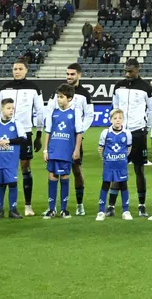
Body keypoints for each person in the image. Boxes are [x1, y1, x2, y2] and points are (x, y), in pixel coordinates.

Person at [0, 61, 46, 216]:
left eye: (20, 69)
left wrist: (38, 134)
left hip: (24, 133)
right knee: (3, 169)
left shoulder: (33, 88)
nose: (17, 71)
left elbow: (40, 111)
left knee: (25, 167)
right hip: (4, 134)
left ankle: (28, 205)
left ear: (26, 70)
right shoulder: (4, 88)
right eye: (15, 69)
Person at [113, 59, 152, 208]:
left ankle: (141, 205)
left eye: (130, 71)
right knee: (118, 168)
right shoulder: (118, 86)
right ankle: (112, 205)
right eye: (125, 70)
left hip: (138, 133)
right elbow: (115, 107)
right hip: (120, 133)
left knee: (139, 169)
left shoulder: (146, 88)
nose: (127, 74)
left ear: (138, 69)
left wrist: (147, 126)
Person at [62, 62, 96, 214]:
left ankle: (79, 204)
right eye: (68, 74)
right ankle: (59, 206)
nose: (69, 77)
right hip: (60, 138)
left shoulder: (84, 94)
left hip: (75, 138)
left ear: (79, 75)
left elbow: (89, 115)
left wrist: (80, 131)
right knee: (58, 171)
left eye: (72, 74)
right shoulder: (60, 91)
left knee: (76, 170)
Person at [44, 86, 80, 219]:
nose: (58, 99)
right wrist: (46, 150)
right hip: (53, 150)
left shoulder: (75, 112)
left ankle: (64, 209)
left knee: (65, 177)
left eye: (61, 97)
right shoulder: (53, 112)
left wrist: (76, 149)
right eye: (58, 97)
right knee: (52, 176)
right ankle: (51, 209)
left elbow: (79, 133)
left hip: (66, 151)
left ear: (69, 98)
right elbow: (48, 131)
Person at [0, 98, 24, 219]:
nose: (11, 111)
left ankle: (13, 209)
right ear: (1, 109)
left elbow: (22, 138)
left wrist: (8, 141)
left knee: (12, 183)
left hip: (11, 160)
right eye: (8, 108)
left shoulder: (16, 123)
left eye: (12, 108)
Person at [96, 109, 133, 221]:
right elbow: (101, 148)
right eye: (115, 118)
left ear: (123, 120)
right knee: (105, 185)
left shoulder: (127, 133)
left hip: (121, 165)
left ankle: (126, 211)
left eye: (120, 118)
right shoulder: (105, 133)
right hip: (109, 165)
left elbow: (128, 148)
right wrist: (105, 159)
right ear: (111, 120)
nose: (118, 120)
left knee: (123, 185)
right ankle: (101, 211)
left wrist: (121, 158)